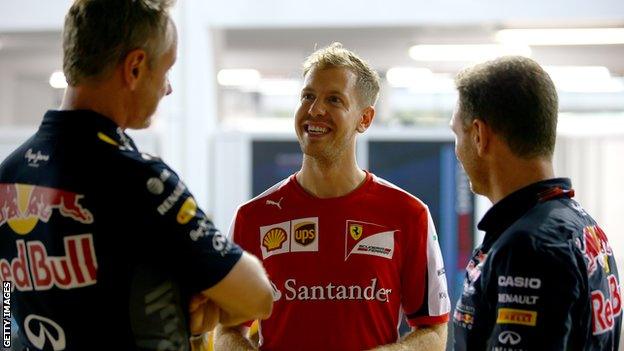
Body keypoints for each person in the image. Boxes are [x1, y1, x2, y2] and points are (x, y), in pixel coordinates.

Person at [0, 0, 273, 350]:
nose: (168, 88)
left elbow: (6, 314)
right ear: (135, 67)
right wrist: (204, 307)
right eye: (167, 69)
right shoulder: (140, 181)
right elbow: (257, 296)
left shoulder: (9, 172)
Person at [215, 43, 450, 351]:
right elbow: (227, 331)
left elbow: (434, 330)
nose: (315, 110)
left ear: (364, 119)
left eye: (334, 99)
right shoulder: (253, 217)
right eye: (308, 96)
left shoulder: (408, 214)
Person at [450, 56, 621, 350]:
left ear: (479, 135)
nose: (457, 150)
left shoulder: (526, 247)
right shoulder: (581, 225)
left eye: (457, 134)